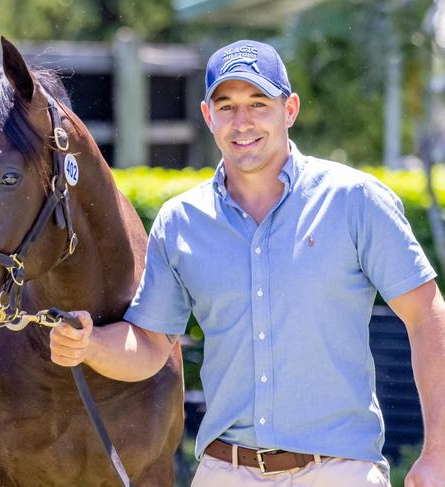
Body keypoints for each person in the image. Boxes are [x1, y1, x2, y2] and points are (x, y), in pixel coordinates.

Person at [49, 39, 445, 486]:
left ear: (289, 109)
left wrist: (439, 451)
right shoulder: (181, 223)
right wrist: (89, 346)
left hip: (339, 471)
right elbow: (151, 345)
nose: (242, 122)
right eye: (227, 106)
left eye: (259, 103)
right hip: (225, 472)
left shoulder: (355, 201)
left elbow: (427, 316)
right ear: (207, 116)